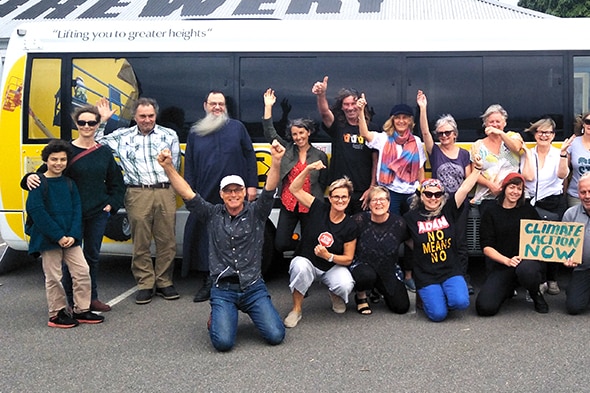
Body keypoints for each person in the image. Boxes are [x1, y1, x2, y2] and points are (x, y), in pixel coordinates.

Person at [156, 140, 286, 352]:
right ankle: (220, 313)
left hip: (253, 287)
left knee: (276, 335)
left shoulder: (257, 213)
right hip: (223, 288)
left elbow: (270, 189)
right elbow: (187, 193)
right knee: (223, 343)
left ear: (244, 192)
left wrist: (276, 161)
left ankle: (238, 311)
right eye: (228, 191)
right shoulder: (212, 214)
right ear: (221, 194)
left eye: (237, 190)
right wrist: (169, 168)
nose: (233, 195)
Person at [22, 104, 126, 312]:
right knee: (69, 258)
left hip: (97, 213)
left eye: (92, 122)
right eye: (82, 122)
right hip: (71, 215)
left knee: (92, 257)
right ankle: (70, 300)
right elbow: (44, 173)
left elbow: (117, 183)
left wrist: (110, 205)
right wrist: (28, 178)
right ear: (76, 124)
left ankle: (90, 298)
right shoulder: (66, 151)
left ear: (98, 125)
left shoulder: (104, 152)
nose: (87, 126)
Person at [96, 97, 181, 305]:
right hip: (137, 192)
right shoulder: (121, 136)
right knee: (140, 241)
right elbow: (95, 144)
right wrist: (104, 121)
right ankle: (144, 283)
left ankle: (164, 282)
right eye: (142, 116)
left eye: (150, 116)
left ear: (155, 115)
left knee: (167, 241)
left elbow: (175, 167)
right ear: (134, 116)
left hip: (164, 190)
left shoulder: (169, 135)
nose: (147, 120)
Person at [184, 90, 258, 303]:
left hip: (234, 193)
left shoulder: (237, 128)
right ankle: (209, 279)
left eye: (221, 104)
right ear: (205, 105)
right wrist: (190, 191)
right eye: (213, 103)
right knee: (205, 236)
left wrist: (252, 185)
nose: (217, 107)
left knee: (237, 234)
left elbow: (250, 155)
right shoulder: (196, 131)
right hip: (205, 192)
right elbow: (189, 162)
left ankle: (239, 278)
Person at [26, 139, 104, 328]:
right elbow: (37, 212)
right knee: (54, 277)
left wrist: (72, 235)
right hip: (48, 239)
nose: (58, 163)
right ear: (46, 160)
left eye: (62, 159)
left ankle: (81, 309)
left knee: (82, 271)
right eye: (54, 159)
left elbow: (77, 210)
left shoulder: (69, 183)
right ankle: (57, 313)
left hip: (70, 238)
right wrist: (58, 236)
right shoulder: (38, 183)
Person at [357, 94, 426, 292]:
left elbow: (420, 168)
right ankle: (390, 271)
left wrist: (422, 191)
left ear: (411, 121)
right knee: (390, 235)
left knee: (413, 234)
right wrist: (361, 111)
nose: (401, 121)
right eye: (398, 117)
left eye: (405, 117)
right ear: (392, 120)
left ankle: (409, 274)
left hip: (411, 193)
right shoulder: (383, 139)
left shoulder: (417, 142)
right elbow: (364, 133)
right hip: (390, 194)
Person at [403, 154, 483, 322]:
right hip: (426, 274)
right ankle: (431, 296)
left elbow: (464, 188)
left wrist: (477, 169)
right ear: (421, 196)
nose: (433, 198)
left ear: (442, 196)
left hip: (450, 270)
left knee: (461, 302)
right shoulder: (411, 217)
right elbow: (407, 240)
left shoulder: (448, 210)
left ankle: (444, 293)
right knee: (438, 315)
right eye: (429, 194)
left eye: (437, 194)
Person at [283, 162, 358, 328]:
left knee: (345, 285)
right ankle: (296, 309)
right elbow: (294, 189)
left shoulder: (351, 225)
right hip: (308, 261)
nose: (340, 200)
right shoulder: (318, 208)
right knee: (300, 268)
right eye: (336, 196)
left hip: (331, 265)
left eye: (344, 197)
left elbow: (348, 259)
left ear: (348, 199)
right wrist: (308, 169)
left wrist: (328, 256)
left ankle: (334, 294)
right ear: (330, 198)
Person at [416, 90, 473, 293]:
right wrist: (423, 109)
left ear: (455, 134)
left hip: (459, 203)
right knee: (441, 242)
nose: (444, 136)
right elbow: (424, 133)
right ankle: (443, 276)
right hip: (437, 203)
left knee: (460, 242)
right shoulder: (436, 152)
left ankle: (463, 278)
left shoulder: (465, 154)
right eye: (440, 133)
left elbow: (469, 179)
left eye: (447, 132)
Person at [263, 88, 329, 252]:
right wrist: (268, 106)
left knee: (313, 240)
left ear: (308, 132)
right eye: (294, 134)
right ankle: (301, 249)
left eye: (301, 133)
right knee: (281, 243)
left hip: (310, 204)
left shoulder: (319, 155)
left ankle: (305, 261)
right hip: (289, 203)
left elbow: (323, 181)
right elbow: (269, 133)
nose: (298, 137)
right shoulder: (287, 149)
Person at [475, 173, 547, 316]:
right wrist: (507, 261)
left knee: (527, 270)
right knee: (485, 308)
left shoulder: (528, 210)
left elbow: (543, 237)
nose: (515, 192)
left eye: (519, 189)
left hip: (526, 262)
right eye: (512, 187)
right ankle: (507, 289)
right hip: (503, 264)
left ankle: (535, 294)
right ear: (504, 188)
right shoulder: (491, 212)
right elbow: (486, 247)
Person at [523, 117, 574, 295]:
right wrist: (528, 155)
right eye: (540, 132)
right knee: (536, 244)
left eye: (548, 132)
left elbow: (562, 175)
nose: (544, 135)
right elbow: (528, 177)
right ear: (535, 134)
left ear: (553, 135)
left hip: (553, 202)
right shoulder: (528, 153)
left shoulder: (559, 152)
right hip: (533, 203)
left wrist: (562, 154)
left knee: (554, 243)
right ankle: (540, 280)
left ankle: (552, 279)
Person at [311, 76, 377, 214]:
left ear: (360, 104)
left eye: (354, 104)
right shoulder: (338, 126)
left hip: (362, 191)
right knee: (339, 228)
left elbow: (376, 161)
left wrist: (372, 187)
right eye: (346, 104)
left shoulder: (372, 129)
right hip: (339, 191)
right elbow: (324, 113)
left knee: (361, 229)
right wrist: (321, 94)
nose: (350, 108)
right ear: (341, 106)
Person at [350, 186, 410, 316]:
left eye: (382, 199)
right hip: (363, 266)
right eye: (374, 200)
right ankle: (361, 296)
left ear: (389, 202)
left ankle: (377, 289)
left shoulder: (399, 223)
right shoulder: (358, 220)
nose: (378, 203)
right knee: (366, 275)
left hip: (388, 268)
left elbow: (411, 244)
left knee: (401, 307)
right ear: (368, 203)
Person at [470, 104, 525, 216]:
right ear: (486, 124)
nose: (495, 124)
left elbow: (516, 148)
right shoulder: (478, 145)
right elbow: (474, 173)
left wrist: (500, 133)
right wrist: (490, 185)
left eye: (498, 121)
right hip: (488, 198)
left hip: (512, 197)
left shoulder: (513, 137)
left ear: (504, 123)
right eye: (491, 122)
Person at [563, 172, 590, 314]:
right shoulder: (570, 214)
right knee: (574, 307)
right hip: (582, 268)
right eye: (583, 192)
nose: (587, 196)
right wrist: (565, 258)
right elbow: (563, 247)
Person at [565, 112, 590, 207]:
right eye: (588, 122)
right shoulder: (573, 143)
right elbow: (565, 173)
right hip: (576, 195)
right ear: (583, 124)